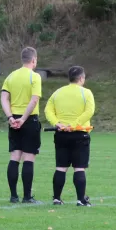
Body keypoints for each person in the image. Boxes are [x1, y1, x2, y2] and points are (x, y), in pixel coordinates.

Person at [44, 66, 95, 207]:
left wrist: (57, 123)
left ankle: (56, 198)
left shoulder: (58, 93)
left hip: (61, 134)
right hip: (79, 133)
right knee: (79, 167)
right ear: (81, 78)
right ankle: (81, 200)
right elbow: (89, 111)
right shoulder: (86, 93)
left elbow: (48, 110)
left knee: (61, 167)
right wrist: (74, 124)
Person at [0, 47, 42, 204]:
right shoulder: (35, 77)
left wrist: (10, 117)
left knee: (15, 156)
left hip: (14, 120)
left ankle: (13, 196)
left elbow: (4, 98)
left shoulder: (11, 76)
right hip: (29, 119)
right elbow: (34, 99)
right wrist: (24, 118)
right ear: (33, 60)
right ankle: (27, 197)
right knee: (29, 157)